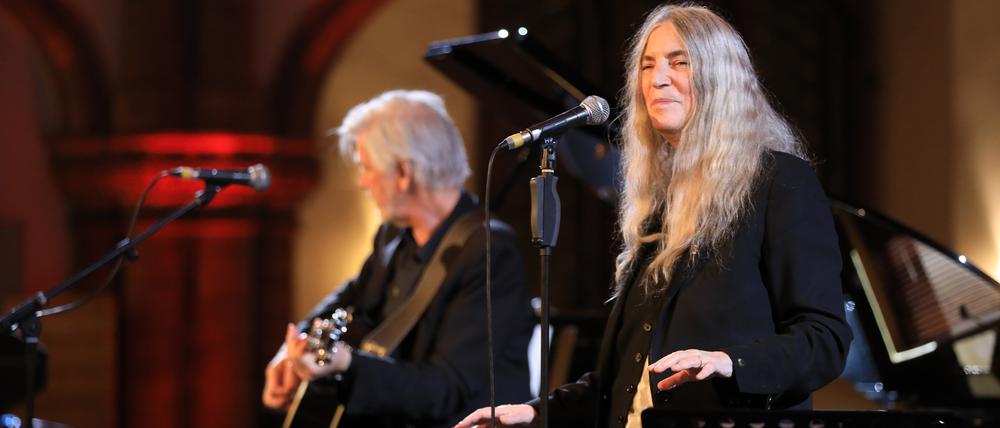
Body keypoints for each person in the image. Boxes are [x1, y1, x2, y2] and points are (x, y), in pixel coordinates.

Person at [456, 4, 852, 428]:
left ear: (721, 78)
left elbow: (825, 339)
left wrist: (730, 362)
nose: (657, 79)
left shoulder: (779, 182)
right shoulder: (659, 205)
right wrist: (535, 412)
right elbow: (621, 384)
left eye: (679, 62)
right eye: (647, 66)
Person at [262, 89, 535, 427]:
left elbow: (446, 390)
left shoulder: (490, 251)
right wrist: (292, 351)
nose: (362, 182)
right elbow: (347, 298)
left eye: (366, 168)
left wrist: (348, 364)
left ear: (404, 173)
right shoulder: (391, 236)